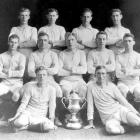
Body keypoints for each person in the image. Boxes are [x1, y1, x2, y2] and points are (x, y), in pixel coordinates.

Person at [85, 66, 140, 135]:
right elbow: (90, 105)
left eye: (103, 73)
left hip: (120, 111)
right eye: (98, 73)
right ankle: (126, 128)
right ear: (95, 74)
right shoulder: (91, 86)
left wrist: (136, 113)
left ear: (106, 75)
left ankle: (127, 123)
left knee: (138, 122)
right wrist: (90, 123)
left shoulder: (112, 86)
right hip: (108, 118)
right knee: (112, 130)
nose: (101, 76)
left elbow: (124, 102)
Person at [27, 32, 62, 126]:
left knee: (58, 90)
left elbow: (55, 70)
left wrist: (42, 69)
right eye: (41, 40)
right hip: (35, 79)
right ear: (38, 41)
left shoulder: (53, 54)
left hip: (49, 79)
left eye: (45, 40)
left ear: (48, 42)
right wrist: (46, 69)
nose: (43, 42)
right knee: (26, 89)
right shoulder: (33, 55)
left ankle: (56, 117)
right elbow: (30, 72)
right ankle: (28, 116)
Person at [8, 66, 57, 132]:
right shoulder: (30, 87)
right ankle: (30, 126)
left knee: (49, 126)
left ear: (47, 76)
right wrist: (16, 116)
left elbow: (52, 106)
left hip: (40, 116)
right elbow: (24, 103)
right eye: (39, 75)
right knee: (18, 122)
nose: (42, 77)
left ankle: (25, 127)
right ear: (36, 76)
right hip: (28, 113)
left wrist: (52, 120)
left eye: (44, 75)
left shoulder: (52, 89)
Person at [58, 33, 87, 99]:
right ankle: (68, 108)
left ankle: (79, 108)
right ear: (65, 42)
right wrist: (74, 71)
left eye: (72, 40)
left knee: (84, 89)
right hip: (65, 80)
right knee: (65, 90)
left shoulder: (81, 53)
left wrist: (69, 68)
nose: (70, 42)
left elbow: (84, 69)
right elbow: (59, 71)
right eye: (68, 40)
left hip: (78, 80)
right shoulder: (62, 54)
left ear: (76, 41)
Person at [0, 34, 26, 102]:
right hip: (5, 83)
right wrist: (15, 73)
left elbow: (21, 74)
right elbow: (0, 74)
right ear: (8, 42)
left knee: (16, 96)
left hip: (17, 83)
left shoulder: (22, 57)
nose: (13, 44)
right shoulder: (1, 56)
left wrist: (7, 71)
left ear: (18, 44)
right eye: (11, 42)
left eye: (15, 42)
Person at [116, 33, 140, 102]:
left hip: (135, 83)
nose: (127, 43)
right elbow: (118, 74)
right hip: (123, 83)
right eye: (125, 41)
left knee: (139, 93)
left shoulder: (138, 56)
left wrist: (126, 70)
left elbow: (139, 72)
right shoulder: (119, 56)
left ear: (133, 42)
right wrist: (133, 71)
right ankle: (123, 112)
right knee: (122, 92)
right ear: (123, 43)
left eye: (129, 41)